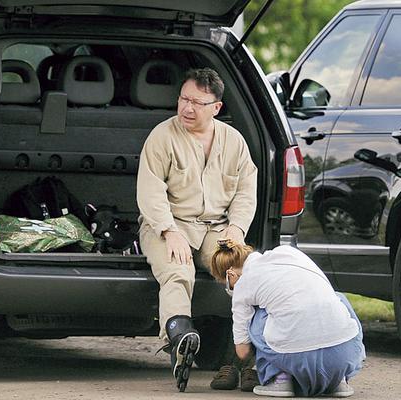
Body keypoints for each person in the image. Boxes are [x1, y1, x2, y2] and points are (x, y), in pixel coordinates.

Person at [136, 67, 257, 391]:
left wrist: (237, 228)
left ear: (216, 107)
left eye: (198, 103)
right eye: (184, 99)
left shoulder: (234, 142)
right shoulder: (162, 136)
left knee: (239, 270)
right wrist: (167, 229)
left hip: (217, 227)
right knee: (178, 270)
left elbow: (246, 189)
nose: (187, 108)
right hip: (168, 224)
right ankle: (179, 337)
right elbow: (150, 191)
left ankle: (247, 358)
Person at [210, 239, 366, 397]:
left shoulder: (243, 285)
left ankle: (279, 379)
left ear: (230, 274)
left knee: (258, 315)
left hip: (297, 358)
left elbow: (242, 352)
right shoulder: (289, 253)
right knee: (337, 299)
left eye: (228, 285)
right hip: (343, 355)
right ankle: (339, 380)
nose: (230, 289)